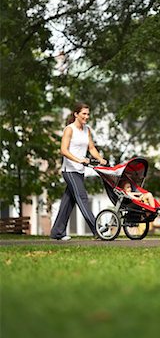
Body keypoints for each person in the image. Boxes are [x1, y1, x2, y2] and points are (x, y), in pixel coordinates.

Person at [50, 102, 107, 240]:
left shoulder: (87, 130)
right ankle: (96, 230)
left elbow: (91, 148)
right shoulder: (69, 129)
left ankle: (57, 232)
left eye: (88, 114)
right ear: (76, 114)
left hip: (80, 171)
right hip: (69, 170)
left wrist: (100, 159)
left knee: (68, 201)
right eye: (84, 114)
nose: (86, 116)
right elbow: (63, 150)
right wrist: (78, 160)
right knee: (82, 198)